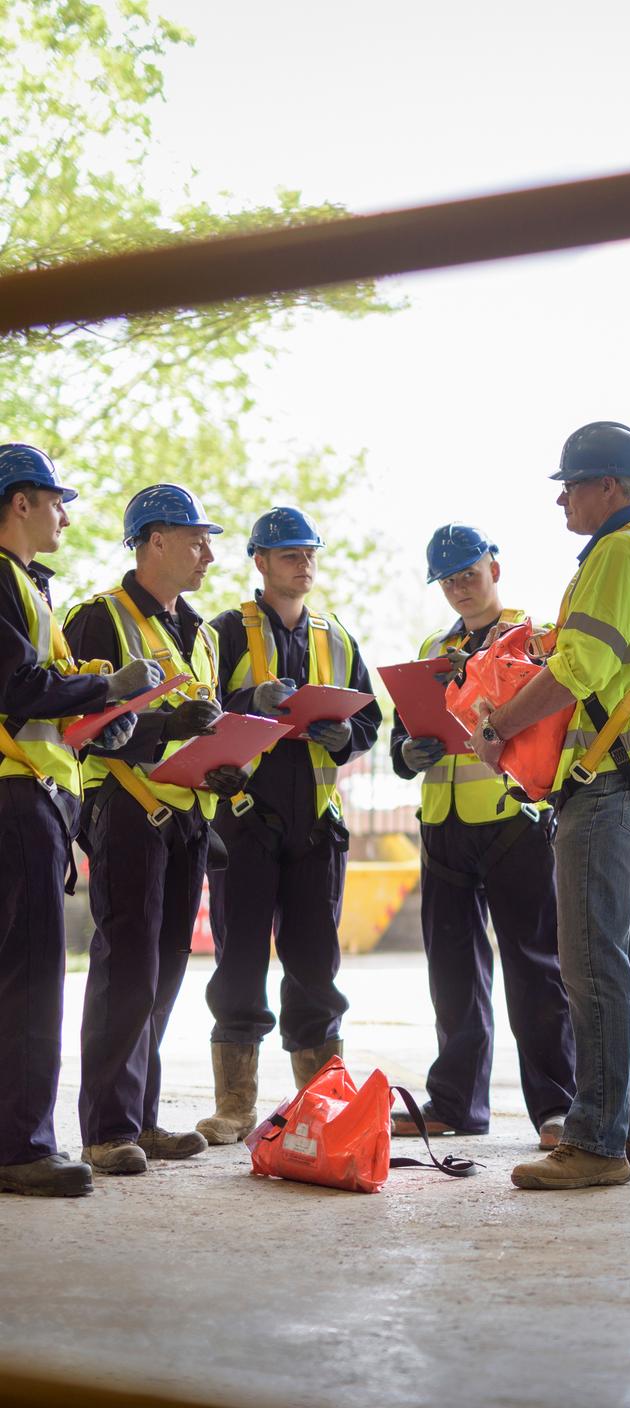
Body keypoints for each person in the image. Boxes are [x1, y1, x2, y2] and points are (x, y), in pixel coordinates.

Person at [470, 422, 630, 1190]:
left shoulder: (616, 553)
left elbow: (580, 668)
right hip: (628, 770)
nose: (562, 499)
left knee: (593, 963)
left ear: (607, 485)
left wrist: (500, 723)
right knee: (627, 957)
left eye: (570, 485)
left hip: (604, 776)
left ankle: (597, 1143)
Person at [0, 445, 165, 1197]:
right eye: (56, 501)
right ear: (21, 502)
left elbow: (45, 692)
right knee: (30, 982)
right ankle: (21, 1148)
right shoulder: (4, 581)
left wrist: (104, 715)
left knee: (24, 977)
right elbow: (18, 687)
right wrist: (106, 688)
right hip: (15, 798)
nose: (64, 516)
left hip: (34, 796)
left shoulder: (28, 586)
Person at [196, 507, 382, 1144]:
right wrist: (249, 703)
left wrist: (345, 735)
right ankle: (235, 1107)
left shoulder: (338, 637)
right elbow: (197, 711)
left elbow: (368, 720)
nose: (303, 565)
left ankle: (320, 1105)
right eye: (288, 555)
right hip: (245, 822)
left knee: (315, 969)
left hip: (316, 828)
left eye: (308, 554)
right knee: (239, 962)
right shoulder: (221, 633)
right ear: (260, 562)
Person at [65, 483, 232, 1176]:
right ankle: (107, 1131)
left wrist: (225, 762)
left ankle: (139, 1118)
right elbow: (82, 726)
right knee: (127, 968)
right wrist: (168, 726)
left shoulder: (199, 632)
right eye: (197, 541)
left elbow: (206, 721)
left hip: (187, 815)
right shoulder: (98, 619)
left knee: (163, 972)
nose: (208, 555)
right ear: (155, 541)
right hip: (126, 811)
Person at [389, 523, 574, 1146]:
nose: (459, 588)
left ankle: (558, 1107)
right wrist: (406, 752)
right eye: (447, 580)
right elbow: (404, 735)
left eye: (468, 574)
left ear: (495, 568)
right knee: (452, 973)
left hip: (514, 820)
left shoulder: (535, 639)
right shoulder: (431, 649)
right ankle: (455, 1103)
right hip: (443, 825)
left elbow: (549, 725)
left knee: (535, 969)